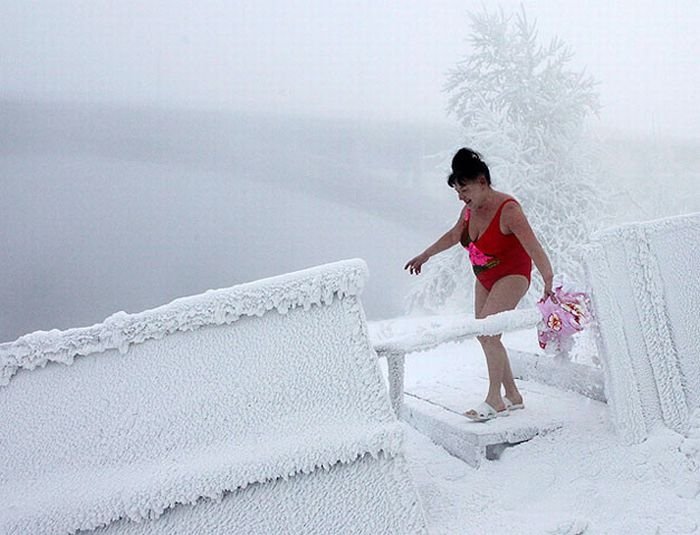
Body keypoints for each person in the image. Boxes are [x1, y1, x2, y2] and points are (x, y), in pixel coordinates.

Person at [404, 148, 554, 422]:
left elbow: (533, 246)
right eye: (458, 192)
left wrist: (549, 278)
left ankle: (494, 399)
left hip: (512, 275)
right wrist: (425, 255)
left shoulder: (509, 211)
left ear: (482, 182)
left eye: (465, 190)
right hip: (484, 277)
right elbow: (453, 236)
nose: (461, 197)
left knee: (488, 333)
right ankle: (512, 395)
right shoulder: (468, 212)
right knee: (484, 333)